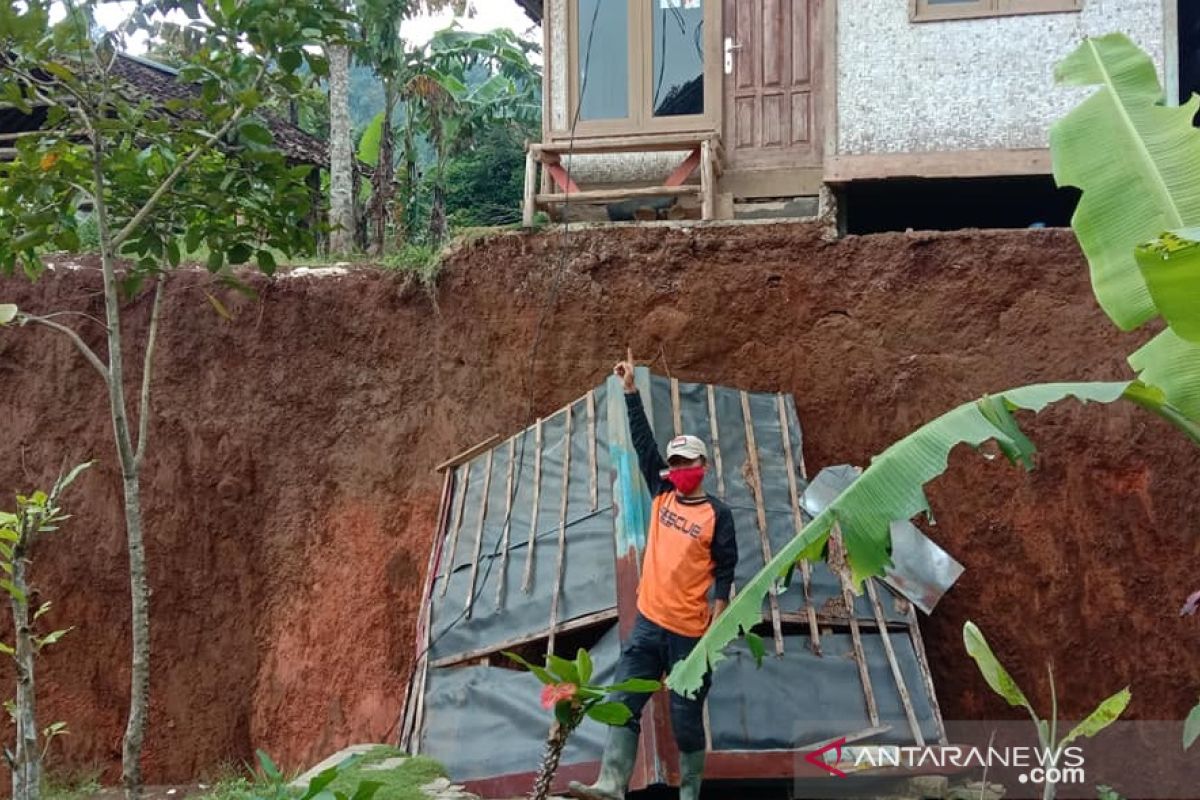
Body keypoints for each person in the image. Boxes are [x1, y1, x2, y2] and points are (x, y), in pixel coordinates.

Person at [569, 358, 738, 800]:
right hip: (648, 625)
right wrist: (629, 392)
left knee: (685, 720)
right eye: (675, 461)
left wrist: (716, 623)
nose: (680, 467)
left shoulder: (717, 514)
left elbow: (726, 570)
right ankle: (610, 783)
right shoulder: (662, 493)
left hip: (689, 637)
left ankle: (690, 793)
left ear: (703, 464)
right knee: (624, 703)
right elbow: (644, 445)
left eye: (688, 461)